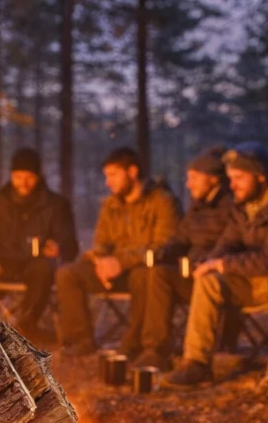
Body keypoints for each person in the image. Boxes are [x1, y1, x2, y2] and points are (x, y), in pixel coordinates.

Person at [162, 142, 268, 388]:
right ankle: (194, 363)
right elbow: (227, 242)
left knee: (211, 279)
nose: (233, 185)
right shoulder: (243, 207)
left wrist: (221, 263)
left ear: (260, 177)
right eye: (230, 179)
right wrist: (209, 262)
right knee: (206, 278)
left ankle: (197, 363)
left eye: (239, 178)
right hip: (247, 277)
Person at [55, 147, 181, 357]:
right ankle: (80, 340)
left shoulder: (162, 201)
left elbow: (164, 246)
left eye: (113, 175)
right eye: (106, 176)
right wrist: (100, 261)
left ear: (132, 172)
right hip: (112, 272)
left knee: (144, 276)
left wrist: (121, 262)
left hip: (141, 271)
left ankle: (134, 344)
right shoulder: (110, 205)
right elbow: (101, 243)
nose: (108, 182)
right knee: (67, 274)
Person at [0, 147, 78, 341]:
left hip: (34, 265)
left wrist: (59, 249)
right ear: (11, 176)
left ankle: (26, 327)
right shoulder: (0, 202)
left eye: (29, 177)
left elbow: (71, 246)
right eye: (18, 177)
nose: (23, 183)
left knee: (42, 268)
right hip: (2, 263)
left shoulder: (56, 206)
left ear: (38, 176)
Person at [135, 146, 234, 369]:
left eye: (194, 178)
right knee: (159, 272)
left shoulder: (231, 206)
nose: (188, 184)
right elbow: (180, 239)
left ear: (212, 178)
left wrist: (207, 261)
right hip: (191, 273)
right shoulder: (196, 207)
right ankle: (155, 350)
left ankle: (197, 358)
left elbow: (231, 243)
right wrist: (161, 253)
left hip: (215, 277)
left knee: (174, 275)